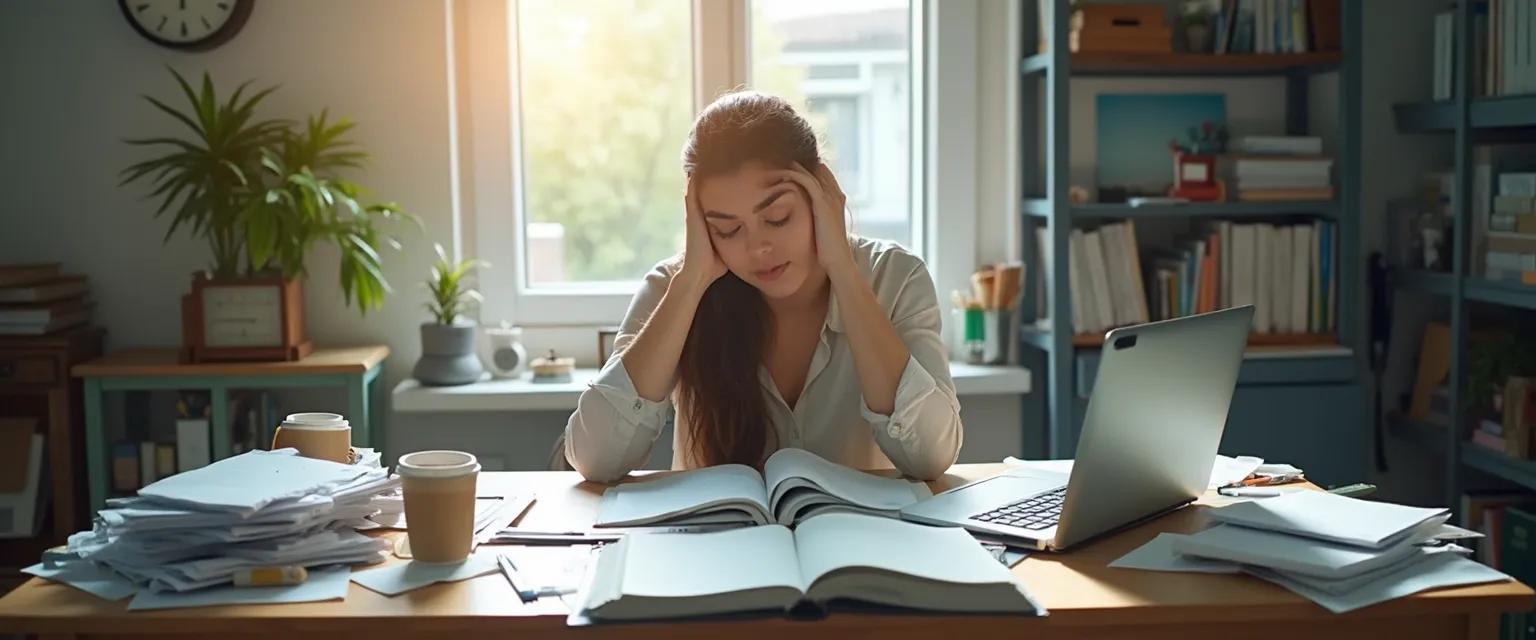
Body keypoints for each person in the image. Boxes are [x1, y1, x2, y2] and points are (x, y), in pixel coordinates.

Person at [563, 91, 961, 483]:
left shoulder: (894, 276)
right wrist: (690, 285)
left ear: (821, 195)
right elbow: (594, 459)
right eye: (728, 229)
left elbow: (930, 456)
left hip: (866, 544)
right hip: (715, 544)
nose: (758, 249)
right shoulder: (674, 287)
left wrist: (842, 267)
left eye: (777, 217)